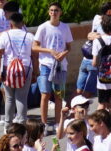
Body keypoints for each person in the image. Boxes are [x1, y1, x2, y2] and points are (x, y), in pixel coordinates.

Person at [0, 11, 37, 125]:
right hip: (26, 68)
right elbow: (34, 56)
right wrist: (35, 73)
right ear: (23, 23)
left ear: (10, 24)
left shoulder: (5, 35)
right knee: (21, 98)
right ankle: (22, 124)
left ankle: (8, 125)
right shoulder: (30, 36)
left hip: (8, 69)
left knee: (9, 98)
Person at [34, 2, 72, 132]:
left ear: (60, 12)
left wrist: (64, 54)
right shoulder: (43, 27)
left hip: (61, 66)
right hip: (46, 64)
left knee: (59, 95)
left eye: (56, 10)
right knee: (45, 94)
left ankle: (57, 122)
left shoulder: (65, 27)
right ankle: (44, 124)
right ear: (49, 12)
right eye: (51, 10)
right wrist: (49, 51)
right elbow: (35, 46)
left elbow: (69, 46)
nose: (53, 13)